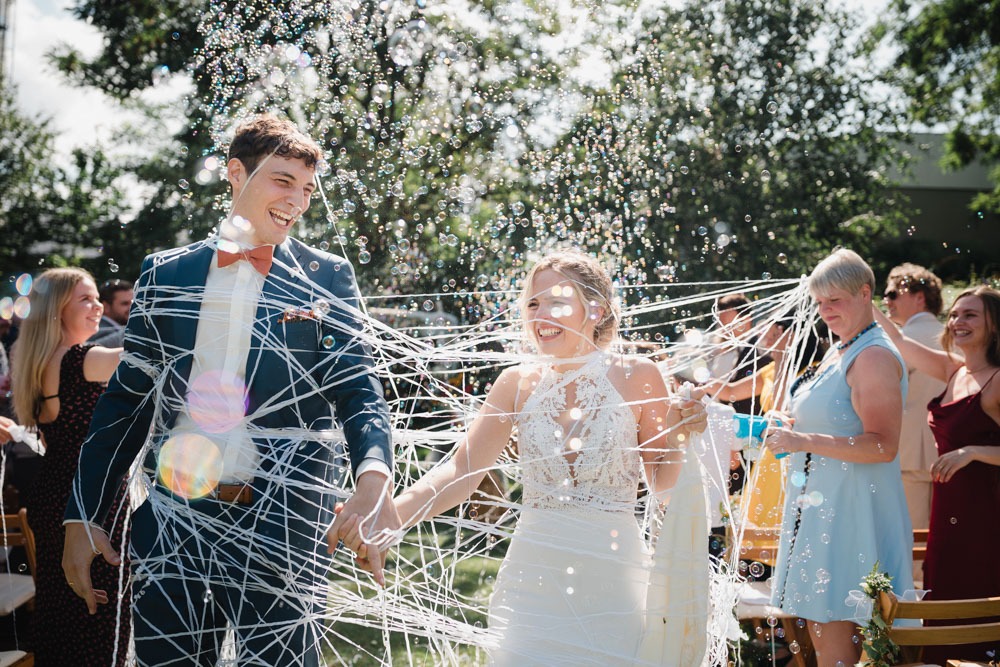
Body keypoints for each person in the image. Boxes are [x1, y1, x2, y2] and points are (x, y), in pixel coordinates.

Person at [62, 114, 399, 667]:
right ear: (236, 174)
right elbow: (127, 402)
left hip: (286, 523)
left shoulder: (327, 278)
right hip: (173, 521)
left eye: (308, 188)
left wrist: (373, 477)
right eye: (283, 180)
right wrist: (85, 515)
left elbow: (359, 389)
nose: (298, 200)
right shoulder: (164, 273)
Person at [383, 251, 708, 665]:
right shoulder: (515, 383)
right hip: (531, 581)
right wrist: (389, 515)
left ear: (597, 309)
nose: (541, 314)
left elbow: (663, 486)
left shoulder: (639, 374)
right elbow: (462, 471)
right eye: (532, 303)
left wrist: (682, 431)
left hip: (613, 580)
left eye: (556, 301)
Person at [764, 248, 912, 667]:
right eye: (819, 302)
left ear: (866, 293)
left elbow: (882, 445)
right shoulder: (842, 349)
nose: (825, 310)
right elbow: (836, 423)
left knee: (843, 650)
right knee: (826, 641)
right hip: (826, 512)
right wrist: (791, 424)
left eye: (836, 300)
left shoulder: (874, 357)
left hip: (854, 516)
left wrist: (802, 439)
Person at [3, 268, 130, 666]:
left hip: (54, 493)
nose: (97, 307)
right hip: (91, 499)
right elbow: (148, 357)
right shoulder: (81, 359)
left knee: (66, 616)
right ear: (57, 310)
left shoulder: (36, 363)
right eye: (85, 299)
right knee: (100, 619)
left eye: (97, 298)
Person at [873, 285, 1000, 663]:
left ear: (994, 325)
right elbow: (895, 337)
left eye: (971, 315)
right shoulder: (954, 370)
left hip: (986, 517)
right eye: (955, 315)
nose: (958, 322)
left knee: (978, 604)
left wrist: (973, 451)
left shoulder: (997, 381)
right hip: (949, 514)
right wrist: (857, 296)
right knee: (942, 599)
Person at [882, 264, 945, 539]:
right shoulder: (953, 333)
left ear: (920, 297)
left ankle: (917, 584)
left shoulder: (904, 339)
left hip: (912, 453)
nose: (886, 300)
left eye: (894, 293)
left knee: (912, 537)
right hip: (950, 450)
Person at [88, 279, 134, 348]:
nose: (132, 307)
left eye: (134, 303)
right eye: (125, 304)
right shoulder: (97, 330)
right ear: (106, 307)